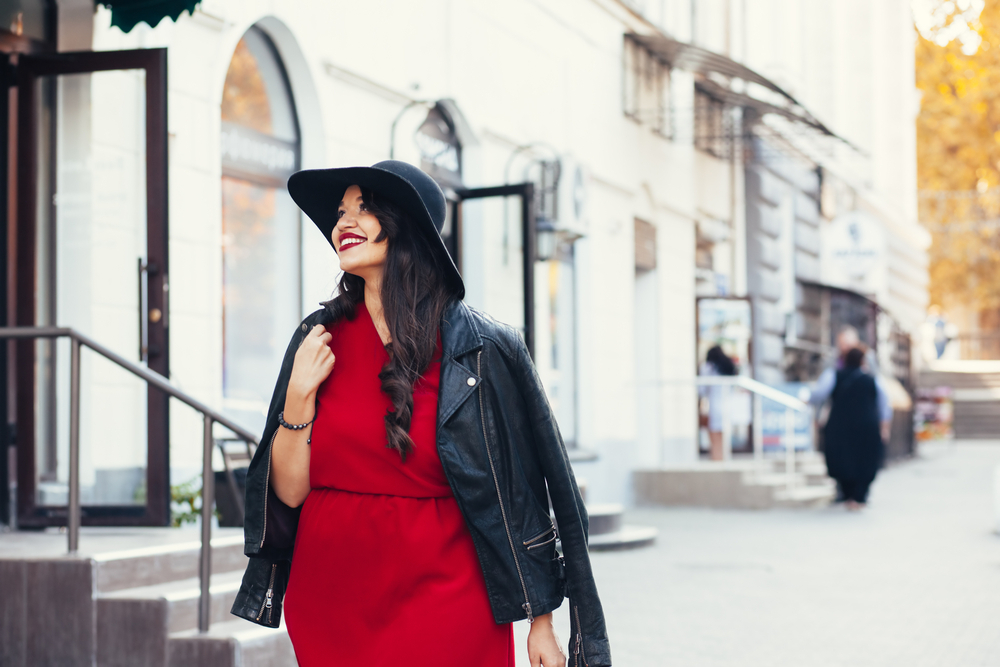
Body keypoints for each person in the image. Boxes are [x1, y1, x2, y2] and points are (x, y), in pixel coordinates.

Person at [230, 160, 610, 667]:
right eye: (341, 212)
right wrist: (298, 398)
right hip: (331, 599)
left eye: (363, 209)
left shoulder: (483, 346)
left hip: (450, 596)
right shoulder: (318, 338)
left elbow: (532, 490)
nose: (344, 222)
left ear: (407, 224)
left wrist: (542, 621)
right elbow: (291, 492)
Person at [820, 346, 885, 510]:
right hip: (866, 426)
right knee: (864, 459)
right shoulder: (872, 379)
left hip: (840, 426)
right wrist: (885, 425)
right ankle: (859, 497)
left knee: (843, 457)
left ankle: (848, 494)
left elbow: (818, 394)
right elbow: (884, 403)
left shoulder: (834, 376)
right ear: (863, 361)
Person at [699, 345, 738, 460]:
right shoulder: (727, 367)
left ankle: (717, 460)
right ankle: (723, 460)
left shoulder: (708, 368)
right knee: (724, 437)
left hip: (715, 406)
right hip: (728, 405)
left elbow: (702, 390)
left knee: (714, 437)